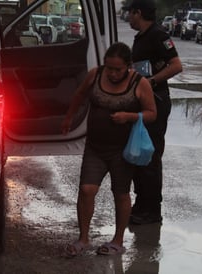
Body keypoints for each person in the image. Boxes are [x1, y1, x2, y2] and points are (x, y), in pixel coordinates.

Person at [61, 42, 157, 256]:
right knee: (86, 190)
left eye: (118, 69)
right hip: (95, 147)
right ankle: (83, 239)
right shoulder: (95, 74)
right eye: (109, 68)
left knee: (121, 193)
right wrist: (69, 118)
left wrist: (129, 117)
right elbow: (79, 95)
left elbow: (152, 113)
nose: (112, 73)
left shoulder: (139, 83)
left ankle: (118, 240)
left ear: (128, 67)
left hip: (122, 151)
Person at [124, 0, 183, 225]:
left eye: (130, 13)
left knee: (150, 156)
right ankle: (142, 204)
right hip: (143, 103)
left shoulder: (158, 35)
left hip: (156, 103)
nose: (128, 18)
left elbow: (176, 65)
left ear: (138, 13)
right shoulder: (142, 36)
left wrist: (149, 82)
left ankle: (152, 210)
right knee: (140, 155)